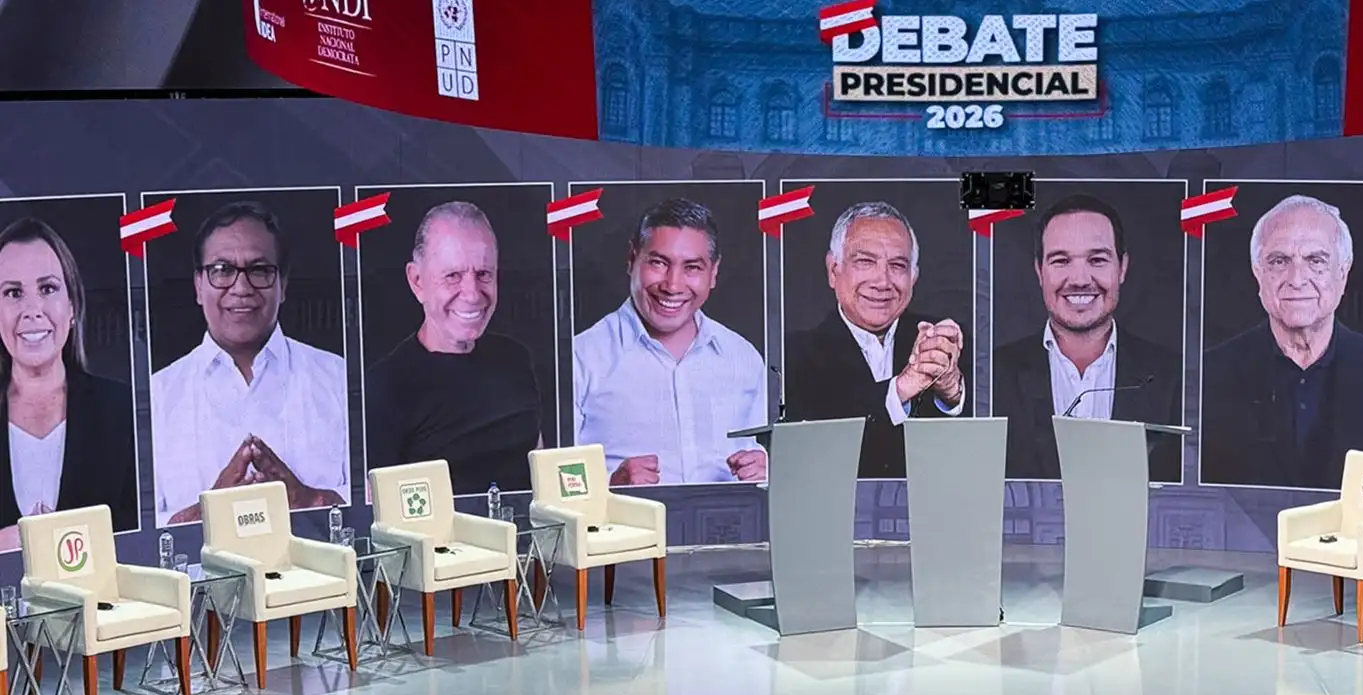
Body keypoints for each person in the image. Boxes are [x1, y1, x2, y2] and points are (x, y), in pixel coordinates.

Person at [151, 203, 349, 526]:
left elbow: (378, 503)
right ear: (198, 285)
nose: (241, 289)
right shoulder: (154, 398)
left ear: (283, 284)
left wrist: (309, 500)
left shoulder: (341, 381)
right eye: (222, 270)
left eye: (259, 270)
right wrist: (205, 515)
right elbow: (132, 531)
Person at [1201, 194, 1363, 489]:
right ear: (1258, 273)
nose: (1297, 279)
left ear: (1343, 272)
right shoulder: (1207, 375)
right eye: (1279, 261)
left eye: (1315, 261)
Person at [573, 198, 767, 485]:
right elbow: (553, 478)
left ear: (713, 273)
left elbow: (757, 455)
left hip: (728, 529)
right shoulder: (581, 357)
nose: (673, 286)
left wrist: (765, 471)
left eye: (692, 267)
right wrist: (610, 484)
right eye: (659, 263)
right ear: (631, 259)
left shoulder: (743, 356)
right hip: (625, 529)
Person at [991, 194, 1181, 481]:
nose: (1079, 279)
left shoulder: (1174, 376)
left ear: (1123, 268)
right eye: (1061, 260)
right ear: (1039, 271)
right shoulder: (992, 375)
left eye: (1097, 260)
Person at [364, 200, 542, 495]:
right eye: (452, 275)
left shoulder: (516, 359)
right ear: (417, 281)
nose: (472, 294)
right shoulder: (385, 387)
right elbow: (379, 510)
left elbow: (538, 465)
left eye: (484, 274)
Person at [785, 201, 967, 479]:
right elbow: (815, 447)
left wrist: (951, 392)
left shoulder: (946, 344)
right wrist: (901, 388)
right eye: (865, 262)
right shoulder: (792, 355)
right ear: (834, 270)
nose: (882, 281)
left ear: (914, 276)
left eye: (897, 265)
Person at [0, 217, 136, 549]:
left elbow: (141, 538)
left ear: (72, 306)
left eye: (47, 288)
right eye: (13, 292)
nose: (32, 310)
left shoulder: (121, 409)